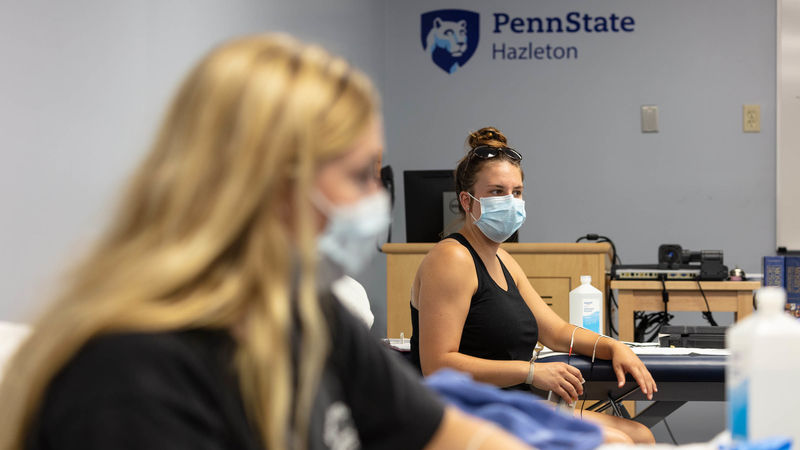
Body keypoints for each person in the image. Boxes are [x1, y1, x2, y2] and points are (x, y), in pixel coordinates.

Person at [0, 36, 531, 450]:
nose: (376, 201)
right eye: (358, 177)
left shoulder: (307, 312)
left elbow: (437, 432)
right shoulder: (130, 375)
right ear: (269, 184)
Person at [409, 127, 657, 444]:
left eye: (516, 192)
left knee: (641, 435)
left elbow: (555, 331)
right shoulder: (452, 259)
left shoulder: (504, 261)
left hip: (512, 404)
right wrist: (530, 372)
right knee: (615, 443)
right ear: (467, 201)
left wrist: (614, 347)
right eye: (497, 192)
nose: (510, 202)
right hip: (468, 412)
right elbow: (438, 366)